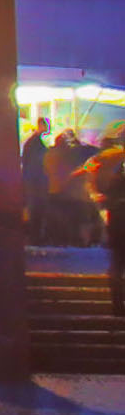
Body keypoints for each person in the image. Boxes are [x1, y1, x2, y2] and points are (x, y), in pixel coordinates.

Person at [85, 133, 125, 318]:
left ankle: (117, 305)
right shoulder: (114, 159)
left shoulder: (107, 160)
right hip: (117, 217)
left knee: (117, 264)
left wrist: (97, 195)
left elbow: (90, 172)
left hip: (117, 219)